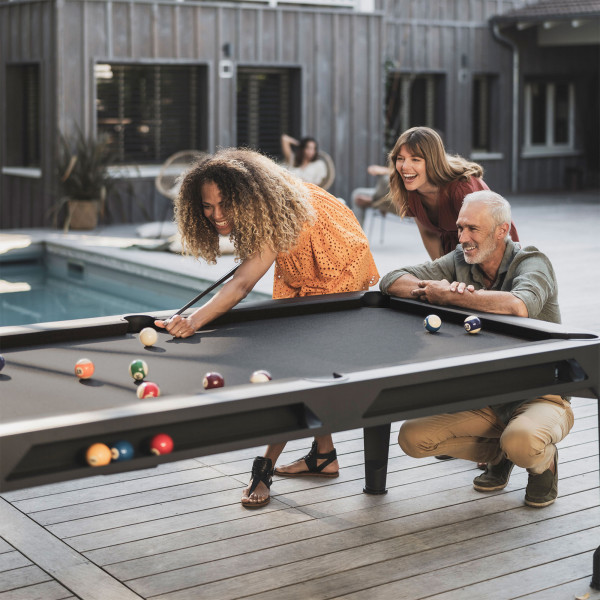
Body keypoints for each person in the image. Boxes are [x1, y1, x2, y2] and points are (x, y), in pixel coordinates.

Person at [154, 148, 380, 508]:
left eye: (224, 204)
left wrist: (193, 320)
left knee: (301, 366)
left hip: (338, 267)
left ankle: (265, 465)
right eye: (207, 206)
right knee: (308, 364)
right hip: (301, 264)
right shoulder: (260, 206)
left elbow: (242, 284)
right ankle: (324, 456)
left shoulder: (274, 210)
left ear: (245, 194)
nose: (215, 215)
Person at [379, 190, 573, 508]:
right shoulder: (460, 261)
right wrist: (429, 290)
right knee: (412, 438)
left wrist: (453, 298)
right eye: (460, 228)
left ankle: (542, 463)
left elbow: (517, 306)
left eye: (473, 229)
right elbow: (390, 280)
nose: (463, 238)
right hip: (488, 398)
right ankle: (502, 455)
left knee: (522, 441)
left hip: (542, 393)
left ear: (501, 231)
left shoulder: (532, 262)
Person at [388, 126, 519, 260]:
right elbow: (429, 234)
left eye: (415, 159)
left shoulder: (461, 189)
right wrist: (441, 273)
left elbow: (484, 238)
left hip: (492, 250)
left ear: (433, 161)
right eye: (400, 158)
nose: (404, 167)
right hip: (454, 252)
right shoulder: (408, 189)